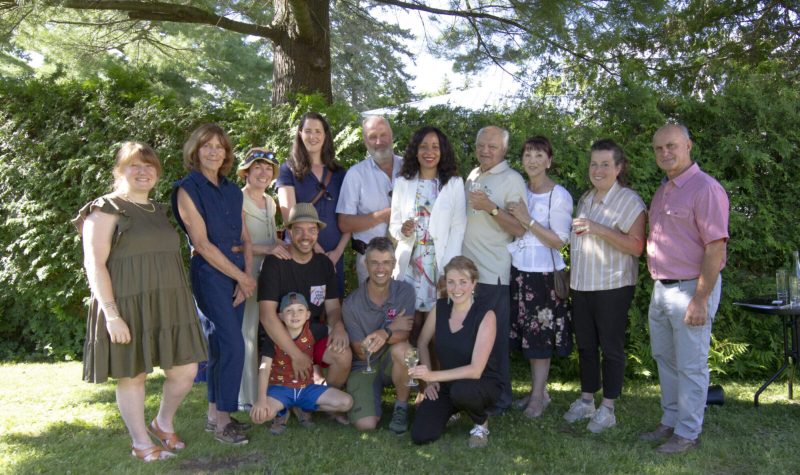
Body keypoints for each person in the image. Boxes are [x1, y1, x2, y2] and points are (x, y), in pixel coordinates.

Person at [74, 142, 207, 461]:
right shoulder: (105, 208)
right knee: (133, 374)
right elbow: (94, 264)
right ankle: (141, 444)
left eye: (149, 166)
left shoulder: (160, 210)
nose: (143, 171)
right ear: (120, 171)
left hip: (169, 302)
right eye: (135, 165)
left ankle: (162, 423)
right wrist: (111, 314)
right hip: (126, 303)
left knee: (186, 369)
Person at [641, 124, 729, 453]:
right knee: (665, 358)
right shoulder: (664, 190)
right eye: (658, 148)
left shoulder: (705, 189)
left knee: (691, 365)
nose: (665, 152)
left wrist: (700, 299)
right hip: (661, 288)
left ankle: (688, 433)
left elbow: (715, 248)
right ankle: (671, 420)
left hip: (692, 288)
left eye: (671, 146)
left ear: (688, 145)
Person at [172, 124, 256, 445]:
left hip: (238, 277)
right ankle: (224, 423)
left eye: (220, 147)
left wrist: (246, 277)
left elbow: (246, 238)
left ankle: (213, 416)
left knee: (222, 346)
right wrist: (242, 278)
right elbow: (202, 245)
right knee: (233, 344)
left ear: (226, 153)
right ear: (196, 150)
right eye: (207, 145)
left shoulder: (234, 191)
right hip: (210, 275)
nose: (213, 151)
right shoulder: (186, 189)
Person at [563, 139, 646, 433]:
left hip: (613, 286)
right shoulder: (586, 197)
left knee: (610, 348)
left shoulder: (629, 201)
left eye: (605, 164)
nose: (598, 170)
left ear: (619, 168)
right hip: (582, 285)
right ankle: (587, 400)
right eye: (594, 163)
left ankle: (608, 407)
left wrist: (597, 228)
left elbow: (636, 246)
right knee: (585, 346)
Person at [257, 203, 352, 428]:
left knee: (343, 353)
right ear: (289, 232)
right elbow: (267, 316)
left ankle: (312, 399)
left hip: (312, 338)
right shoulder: (275, 263)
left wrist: (338, 326)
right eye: (298, 230)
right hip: (279, 340)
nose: (305, 236)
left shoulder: (324, 264)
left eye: (311, 230)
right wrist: (296, 354)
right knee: (266, 409)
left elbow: (333, 308)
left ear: (318, 232)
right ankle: (285, 404)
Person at [504, 136, 573, 419]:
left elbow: (559, 241)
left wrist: (527, 219)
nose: (532, 160)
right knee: (525, 335)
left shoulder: (559, 195)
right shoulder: (520, 190)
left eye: (539, 155)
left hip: (543, 277)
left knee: (540, 339)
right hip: (519, 272)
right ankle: (538, 392)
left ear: (549, 160)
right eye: (528, 154)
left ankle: (538, 397)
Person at [462, 125, 527, 413]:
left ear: (504, 150)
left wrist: (490, 207)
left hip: (493, 273)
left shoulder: (512, 180)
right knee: (470, 338)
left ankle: (501, 399)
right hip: (465, 276)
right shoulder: (473, 175)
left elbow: (520, 229)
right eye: (481, 145)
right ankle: (475, 393)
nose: (485, 150)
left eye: (493, 146)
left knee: (495, 340)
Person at [410, 256, 501, 448]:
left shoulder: (486, 315)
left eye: (463, 282)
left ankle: (480, 423)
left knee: (462, 391)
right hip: (447, 383)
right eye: (451, 282)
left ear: (474, 283)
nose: (456, 288)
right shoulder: (440, 308)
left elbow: (476, 370)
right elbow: (422, 342)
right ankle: (455, 409)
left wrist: (433, 374)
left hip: (481, 383)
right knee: (421, 434)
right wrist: (430, 381)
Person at [389, 126, 466, 341]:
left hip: (439, 263)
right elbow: (394, 225)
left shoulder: (453, 184)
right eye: (423, 146)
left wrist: (449, 270)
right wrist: (403, 230)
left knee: (437, 326)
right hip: (410, 263)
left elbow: (458, 228)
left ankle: (435, 374)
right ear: (415, 151)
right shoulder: (403, 182)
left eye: (435, 147)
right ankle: (411, 373)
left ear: (443, 152)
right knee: (411, 324)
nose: (429, 152)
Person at [249, 292, 353, 435]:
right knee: (261, 417)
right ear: (280, 316)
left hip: (306, 388)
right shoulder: (273, 337)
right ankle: (282, 411)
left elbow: (334, 332)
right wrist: (261, 400)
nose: (295, 315)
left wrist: (340, 330)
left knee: (346, 402)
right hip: (280, 389)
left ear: (308, 314)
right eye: (289, 311)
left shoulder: (313, 330)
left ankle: (302, 407)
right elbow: (264, 368)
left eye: (300, 310)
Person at [343, 237, 416, 434]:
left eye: (385, 262)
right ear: (366, 264)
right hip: (363, 366)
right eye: (374, 262)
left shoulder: (405, 292)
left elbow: (404, 333)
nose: (380, 268)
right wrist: (390, 329)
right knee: (365, 425)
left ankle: (401, 407)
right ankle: (369, 401)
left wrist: (385, 333)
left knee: (403, 350)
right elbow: (360, 351)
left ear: (393, 264)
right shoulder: (351, 303)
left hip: (391, 359)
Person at [236, 148, 291, 409]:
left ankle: (274, 387)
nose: (263, 172)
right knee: (247, 333)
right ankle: (245, 397)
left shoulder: (270, 202)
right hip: (247, 273)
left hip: (270, 274)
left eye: (268, 169)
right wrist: (268, 248)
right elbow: (237, 245)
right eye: (257, 167)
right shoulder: (237, 200)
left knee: (268, 331)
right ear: (246, 171)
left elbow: (273, 240)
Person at [277, 112, 350, 295]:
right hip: (302, 253)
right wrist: (317, 252)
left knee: (333, 310)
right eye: (308, 131)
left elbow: (349, 216)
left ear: (325, 135)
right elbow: (289, 216)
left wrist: (337, 253)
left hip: (335, 255)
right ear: (300, 134)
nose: (313, 136)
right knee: (300, 309)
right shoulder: (288, 170)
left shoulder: (340, 173)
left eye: (318, 131)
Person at [338, 115, 403, 283]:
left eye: (383, 135)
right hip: (370, 263)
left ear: (392, 135)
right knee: (372, 308)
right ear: (365, 141)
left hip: (407, 260)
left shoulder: (410, 168)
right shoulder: (356, 174)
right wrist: (382, 216)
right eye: (373, 137)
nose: (379, 141)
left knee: (406, 308)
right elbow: (344, 223)